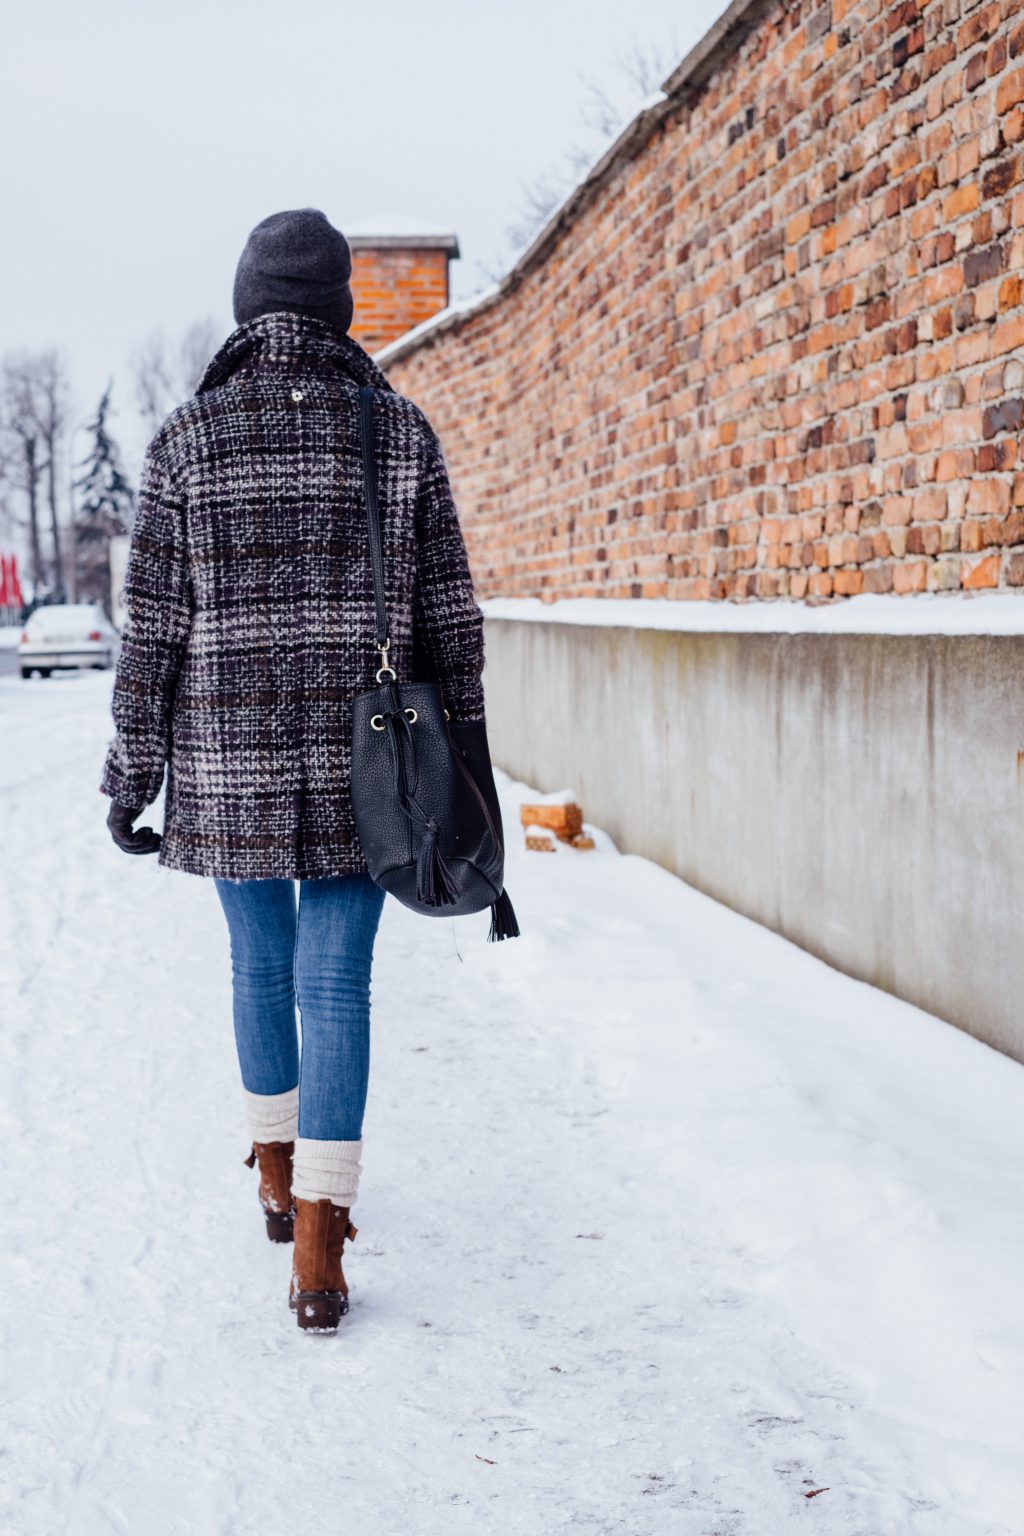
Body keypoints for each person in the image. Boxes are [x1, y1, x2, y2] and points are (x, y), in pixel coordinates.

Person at [100, 208, 488, 1332]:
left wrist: (131, 777)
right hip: (370, 766)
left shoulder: (188, 439)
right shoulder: (398, 432)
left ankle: (275, 1178)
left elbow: (152, 638)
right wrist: (469, 763)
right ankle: (321, 1242)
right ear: (339, 312)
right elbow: (450, 624)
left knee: (256, 966)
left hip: (227, 764)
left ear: (243, 305)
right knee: (337, 984)